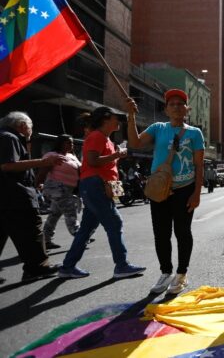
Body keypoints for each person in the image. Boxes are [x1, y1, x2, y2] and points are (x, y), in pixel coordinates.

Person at [127, 89, 205, 295]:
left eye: (181, 104)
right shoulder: (157, 128)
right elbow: (135, 143)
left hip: (184, 189)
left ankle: (181, 274)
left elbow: (199, 166)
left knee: (182, 232)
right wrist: (131, 116)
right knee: (161, 234)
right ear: (166, 109)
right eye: (172, 104)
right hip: (159, 189)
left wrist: (196, 193)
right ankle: (165, 272)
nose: (177, 107)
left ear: (187, 109)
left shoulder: (195, 133)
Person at [58, 107, 145, 279]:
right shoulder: (97, 136)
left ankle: (68, 266)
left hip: (97, 185)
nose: (118, 121)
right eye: (115, 118)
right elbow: (92, 161)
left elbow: (102, 162)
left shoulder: (105, 138)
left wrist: (116, 155)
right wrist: (116, 155)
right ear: (105, 120)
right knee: (114, 223)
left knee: (86, 229)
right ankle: (121, 266)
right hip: (95, 185)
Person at [0, 112, 64, 281]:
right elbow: (7, 165)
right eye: (30, 127)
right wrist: (43, 163)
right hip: (14, 196)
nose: (30, 131)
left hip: (6, 197)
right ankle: (37, 267)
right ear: (22, 125)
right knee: (30, 231)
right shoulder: (9, 137)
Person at [35, 134, 81, 249]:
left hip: (68, 189)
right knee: (70, 210)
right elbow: (43, 171)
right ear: (60, 143)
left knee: (54, 214)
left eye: (72, 143)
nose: (71, 145)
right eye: (68, 142)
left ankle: (46, 240)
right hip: (57, 188)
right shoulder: (52, 156)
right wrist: (37, 184)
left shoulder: (72, 156)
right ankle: (80, 235)